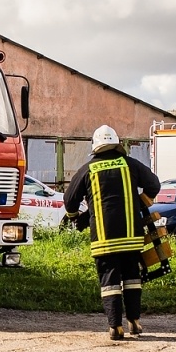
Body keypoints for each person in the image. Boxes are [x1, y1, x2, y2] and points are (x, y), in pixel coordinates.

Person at [64, 125, 162, 340]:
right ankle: (134, 322)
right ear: (117, 145)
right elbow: (154, 185)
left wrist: (75, 218)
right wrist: (140, 202)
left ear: (95, 147)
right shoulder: (131, 165)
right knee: (132, 278)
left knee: (109, 282)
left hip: (103, 240)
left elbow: (70, 201)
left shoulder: (88, 169)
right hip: (132, 238)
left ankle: (115, 326)